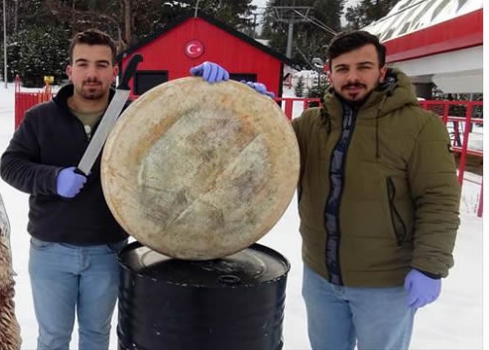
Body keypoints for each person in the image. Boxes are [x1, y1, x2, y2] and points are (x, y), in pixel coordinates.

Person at [192, 30, 460, 349]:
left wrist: (429, 267)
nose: (353, 77)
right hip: (321, 277)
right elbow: (263, 153)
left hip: (385, 283)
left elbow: (439, 200)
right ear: (330, 74)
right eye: (343, 69)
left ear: (382, 71)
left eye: (363, 67)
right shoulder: (310, 125)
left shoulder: (419, 126)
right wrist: (238, 101)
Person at [0, 29, 127, 350]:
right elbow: (10, 165)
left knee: (96, 337)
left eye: (102, 65)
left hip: (107, 252)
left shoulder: (131, 118)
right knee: (54, 339)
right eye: (83, 64)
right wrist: (53, 179)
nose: (92, 73)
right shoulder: (40, 118)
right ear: (69, 71)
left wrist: (214, 88)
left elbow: (181, 129)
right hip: (51, 251)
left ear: (114, 71)